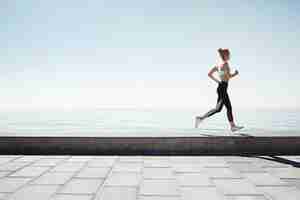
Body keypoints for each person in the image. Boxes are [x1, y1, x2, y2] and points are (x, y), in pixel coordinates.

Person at [195, 48, 244, 132]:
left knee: (218, 109)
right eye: (229, 54)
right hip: (223, 88)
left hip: (221, 87)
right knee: (228, 107)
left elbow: (209, 74)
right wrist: (235, 74)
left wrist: (218, 81)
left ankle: (200, 118)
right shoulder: (226, 64)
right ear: (225, 55)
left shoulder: (218, 65)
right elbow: (228, 77)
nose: (230, 56)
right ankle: (232, 126)